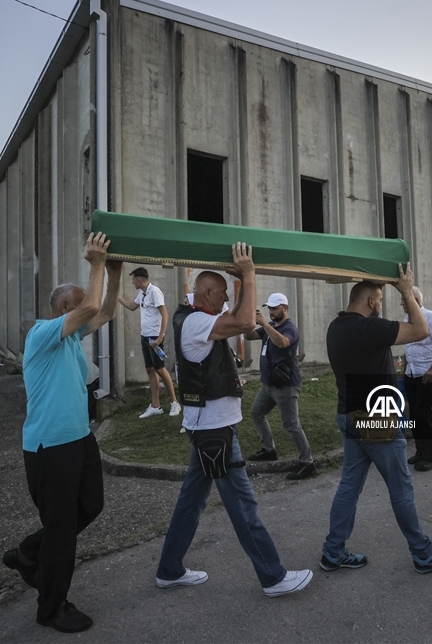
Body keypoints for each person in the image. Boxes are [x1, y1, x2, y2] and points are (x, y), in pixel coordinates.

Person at [156, 243, 313, 598]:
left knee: (191, 501)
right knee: (243, 505)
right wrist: (249, 272)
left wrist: (240, 284)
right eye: (223, 293)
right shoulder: (198, 321)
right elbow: (244, 323)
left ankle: (169, 569)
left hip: (205, 427)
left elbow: (242, 325)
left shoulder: (194, 316)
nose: (226, 299)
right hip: (215, 431)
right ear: (206, 292)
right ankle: (273, 576)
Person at [3, 233, 122, 633]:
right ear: (66, 308)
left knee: (90, 506)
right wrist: (96, 262)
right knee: (62, 531)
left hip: (79, 439)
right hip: (48, 448)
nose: (85, 312)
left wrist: (115, 272)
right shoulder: (42, 335)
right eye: (78, 306)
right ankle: (51, 607)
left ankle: (28, 552)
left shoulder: (71, 337)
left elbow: (104, 312)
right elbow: (92, 305)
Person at [322, 264, 432, 574]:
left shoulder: (336, 326)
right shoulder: (372, 328)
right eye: (380, 300)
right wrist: (407, 291)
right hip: (376, 420)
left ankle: (333, 551)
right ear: (371, 301)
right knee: (400, 488)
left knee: (349, 487)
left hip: (349, 415)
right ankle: (424, 554)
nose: (381, 305)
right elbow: (422, 330)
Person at [243, 292, 315, 480]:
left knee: (291, 424)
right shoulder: (271, 326)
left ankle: (308, 463)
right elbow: (250, 335)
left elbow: (283, 343)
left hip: (286, 385)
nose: (272, 312)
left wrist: (265, 324)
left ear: (285, 308)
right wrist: (249, 320)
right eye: (270, 309)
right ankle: (269, 449)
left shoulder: (290, 328)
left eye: (275, 308)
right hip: (268, 384)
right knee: (256, 413)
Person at [118, 268, 181, 419]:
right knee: (150, 369)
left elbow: (164, 314)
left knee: (160, 368)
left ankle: (175, 402)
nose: (132, 282)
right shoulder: (142, 293)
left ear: (139, 280)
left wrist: (160, 337)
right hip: (144, 337)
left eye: (133, 280)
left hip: (154, 337)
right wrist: (116, 297)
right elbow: (133, 306)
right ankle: (155, 405)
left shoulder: (155, 291)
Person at [401, 286, 432, 472]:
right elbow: (408, 346)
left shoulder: (430, 317)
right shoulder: (407, 319)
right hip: (411, 373)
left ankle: (431, 456)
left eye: (403, 299)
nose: (401, 303)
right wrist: (406, 368)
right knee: (414, 414)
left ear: (414, 300)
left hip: (427, 374)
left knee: (423, 413)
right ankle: (420, 452)